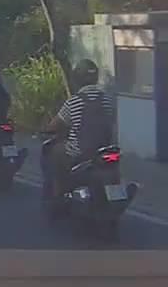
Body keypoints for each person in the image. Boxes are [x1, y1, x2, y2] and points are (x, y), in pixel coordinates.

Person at [41, 59, 116, 201]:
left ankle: (59, 193)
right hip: (104, 151)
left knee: (55, 152)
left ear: (77, 78)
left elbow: (54, 125)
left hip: (80, 152)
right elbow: (111, 121)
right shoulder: (107, 100)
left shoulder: (74, 101)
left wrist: (46, 129)